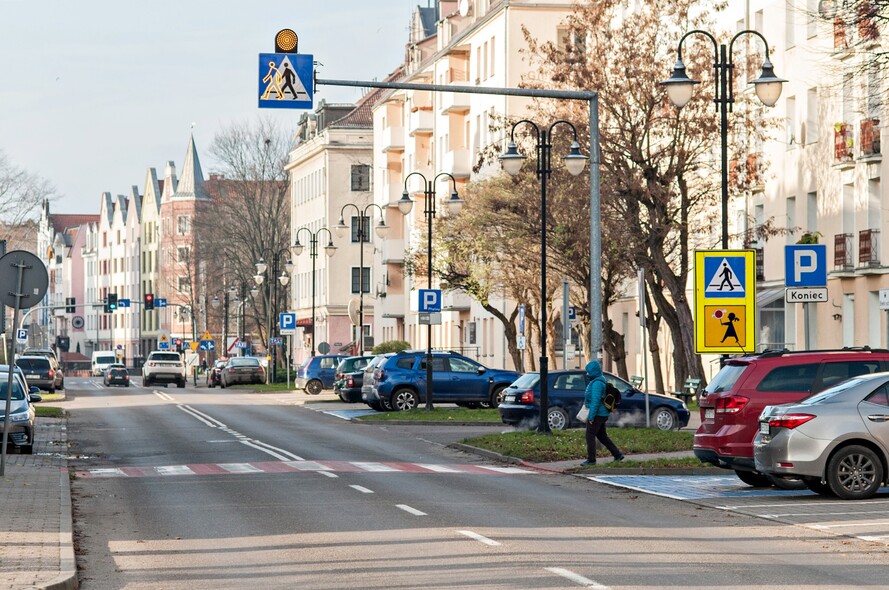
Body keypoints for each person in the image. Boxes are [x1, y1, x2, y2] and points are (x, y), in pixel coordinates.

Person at [581, 360, 624, 466]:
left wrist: (591, 417)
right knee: (602, 436)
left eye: (588, 372)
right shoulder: (598, 381)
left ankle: (591, 459)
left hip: (598, 414)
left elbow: (595, 401)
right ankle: (617, 454)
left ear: (593, 372)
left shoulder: (597, 383)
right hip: (601, 413)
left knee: (590, 435)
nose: (587, 374)